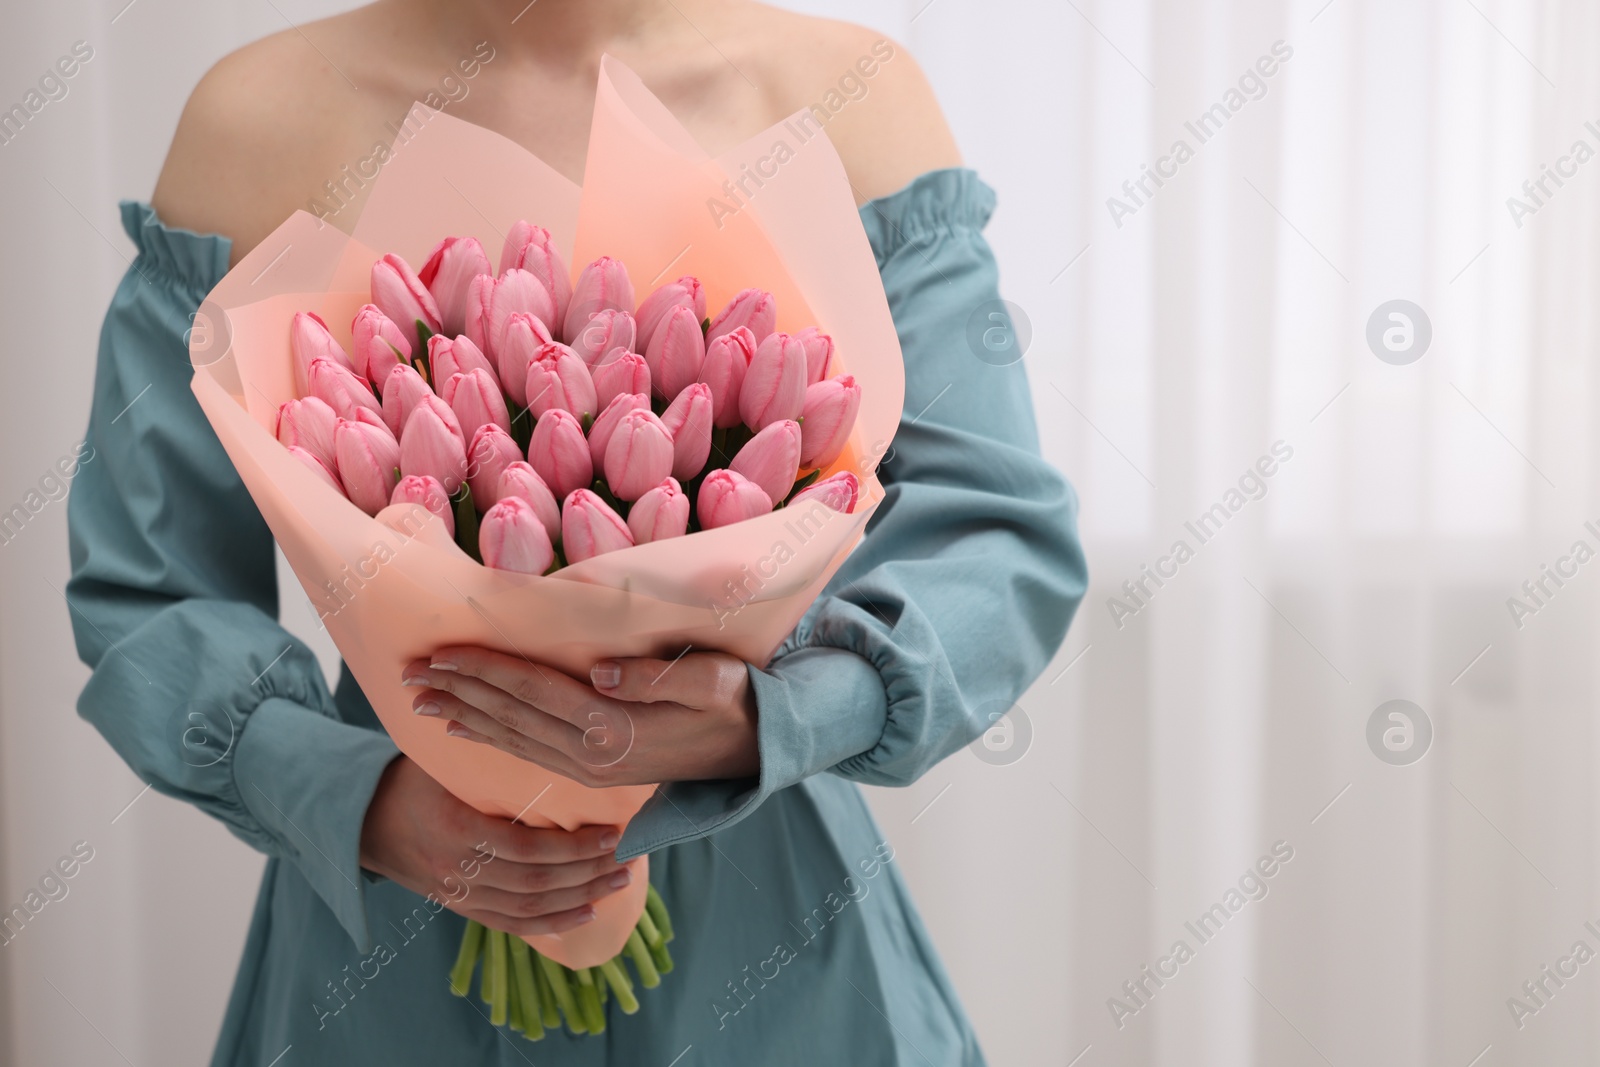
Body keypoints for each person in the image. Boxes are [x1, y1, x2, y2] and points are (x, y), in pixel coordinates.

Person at [66, 1, 1086, 1063]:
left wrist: (765, 721)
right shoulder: (258, 118)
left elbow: (993, 543)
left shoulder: (847, 96)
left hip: (775, 932)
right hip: (395, 936)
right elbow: (149, 588)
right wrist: (365, 801)